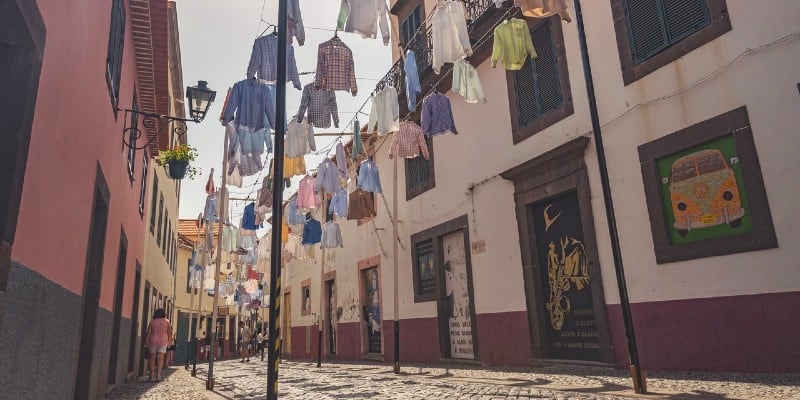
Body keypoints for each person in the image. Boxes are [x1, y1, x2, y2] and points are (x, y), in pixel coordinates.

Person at [145, 308, 172, 381]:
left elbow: (148, 333)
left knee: (152, 357)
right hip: (163, 340)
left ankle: (151, 374)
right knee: (160, 357)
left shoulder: (152, 322)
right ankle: (158, 374)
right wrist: (169, 342)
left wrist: (146, 342)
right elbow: (169, 332)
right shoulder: (167, 322)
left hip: (153, 340)